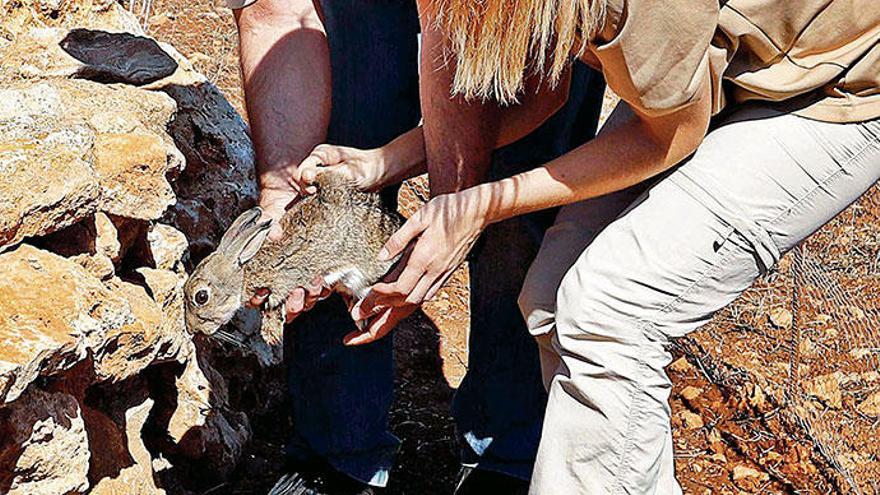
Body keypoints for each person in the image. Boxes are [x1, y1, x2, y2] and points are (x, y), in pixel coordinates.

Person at [299, 0, 880, 493]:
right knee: (550, 300)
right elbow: (536, 89)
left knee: (611, 311)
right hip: (722, 70)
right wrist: (386, 159)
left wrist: (481, 204)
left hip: (836, 89)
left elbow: (666, 134)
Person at [229, 0, 605, 493]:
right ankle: (337, 453)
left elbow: (537, 91)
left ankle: (508, 452)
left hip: (530, 20)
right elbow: (273, 10)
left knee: (520, 197)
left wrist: (456, 211)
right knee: (335, 168)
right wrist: (286, 196)